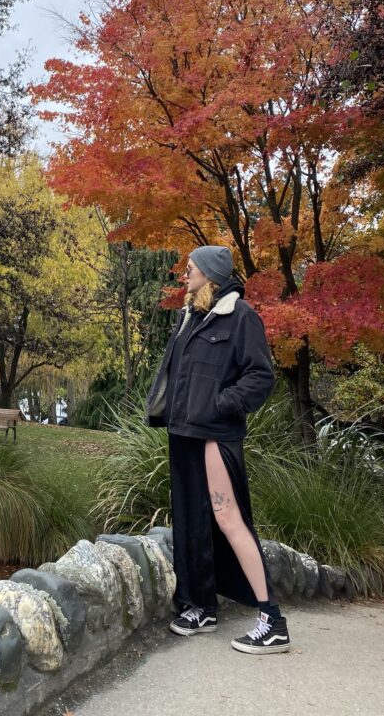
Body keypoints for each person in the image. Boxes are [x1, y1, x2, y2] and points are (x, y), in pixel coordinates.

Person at [145, 245, 291, 654]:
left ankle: (272, 620)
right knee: (192, 521)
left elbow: (260, 377)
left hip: (214, 435)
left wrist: (222, 404)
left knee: (229, 519)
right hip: (184, 433)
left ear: (210, 274)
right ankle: (200, 606)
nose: (184, 274)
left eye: (190, 269)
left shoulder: (241, 317)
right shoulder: (189, 316)